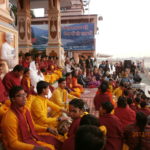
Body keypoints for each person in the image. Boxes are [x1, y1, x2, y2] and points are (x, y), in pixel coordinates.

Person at [1, 86, 63, 150]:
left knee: (57, 138)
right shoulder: (10, 118)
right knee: (50, 148)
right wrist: (35, 148)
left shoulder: (25, 110)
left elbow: (32, 126)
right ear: (13, 99)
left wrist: (47, 129)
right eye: (20, 96)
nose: (24, 97)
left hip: (30, 136)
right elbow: (13, 144)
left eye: (24, 94)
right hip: (19, 144)